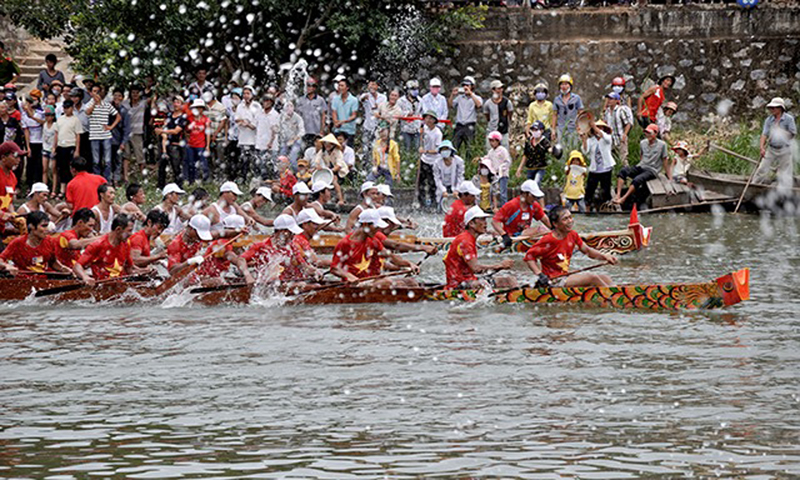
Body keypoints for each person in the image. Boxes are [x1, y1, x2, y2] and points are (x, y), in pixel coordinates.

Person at [524, 206, 618, 288]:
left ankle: (618, 293)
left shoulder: (573, 235)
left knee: (605, 277)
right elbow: (529, 257)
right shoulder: (548, 240)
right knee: (593, 278)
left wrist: (605, 257)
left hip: (565, 276)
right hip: (553, 281)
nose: (570, 221)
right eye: (565, 219)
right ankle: (614, 298)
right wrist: (539, 275)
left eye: (570, 217)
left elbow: (588, 251)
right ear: (555, 224)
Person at [330, 209, 420, 286]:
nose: (378, 229)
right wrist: (350, 277)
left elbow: (391, 257)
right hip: (357, 285)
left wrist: (409, 264)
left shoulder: (373, 240)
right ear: (365, 224)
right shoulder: (345, 243)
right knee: (388, 282)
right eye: (376, 226)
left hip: (371, 281)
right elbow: (334, 268)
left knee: (411, 282)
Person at [443, 206, 515, 289]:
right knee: (507, 281)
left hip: (469, 280)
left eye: (485, 219)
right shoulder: (465, 241)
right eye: (482, 219)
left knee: (509, 279)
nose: (485, 223)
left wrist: (500, 267)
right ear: (471, 224)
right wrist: (500, 265)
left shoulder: (468, 238)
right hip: (458, 285)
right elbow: (476, 269)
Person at [242, 214, 320, 283]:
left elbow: (304, 267)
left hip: (287, 285)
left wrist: (315, 271)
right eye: (291, 233)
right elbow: (240, 260)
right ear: (282, 232)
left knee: (312, 285)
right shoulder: (262, 246)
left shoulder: (292, 247)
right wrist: (248, 276)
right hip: (269, 288)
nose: (293, 236)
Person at [74, 214, 141, 284]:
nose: (131, 234)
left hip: (120, 287)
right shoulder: (98, 245)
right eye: (129, 231)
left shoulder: (126, 244)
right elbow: (77, 266)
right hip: (101, 289)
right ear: (118, 229)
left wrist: (144, 271)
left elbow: (129, 269)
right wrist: (85, 277)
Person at [614, 123, 670, 207]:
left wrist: (669, 175)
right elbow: (642, 156)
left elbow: (665, 160)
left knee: (637, 179)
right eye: (646, 133)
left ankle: (624, 198)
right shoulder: (643, 143)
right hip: (641, 165)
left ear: (655, 133)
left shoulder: (662, 145)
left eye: (650, 133)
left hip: (652, 169)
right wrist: (639, 167)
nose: (647, 135)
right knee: (623, 171)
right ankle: (618, 195)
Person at [0, 211, 69, 276]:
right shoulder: (17, 242)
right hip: (22, 281)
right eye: (44, 226)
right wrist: (7, 266)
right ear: (31, 226)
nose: (47, 229)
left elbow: (53, 262)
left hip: (43, 281)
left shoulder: (50, 241)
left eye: (47, 226)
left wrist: (63, 268)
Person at [196, 214, 255, 286]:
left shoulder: (232, 243)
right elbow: (238, 260)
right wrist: (248, 276)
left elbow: (240, 260)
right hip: (203, 279)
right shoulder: (222, 244)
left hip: (215, 276)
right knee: (221, 281)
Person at [492, 179, 551, 249]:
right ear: (524, 194)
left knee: (544, 229)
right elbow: (494, 222)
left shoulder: (534, 205)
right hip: (512, 236)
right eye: (533, 196)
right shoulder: (511, 205)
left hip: (525, 234)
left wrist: (556, 229)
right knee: (541, 229)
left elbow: (546, 220)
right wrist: (504, 235)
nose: (535, 199)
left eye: (536, 197)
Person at [755, 97, 797, 189]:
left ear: (780, 108)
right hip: (772, 148)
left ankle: (783, 192)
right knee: (762, 168)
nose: (771, 110)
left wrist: (780, 131)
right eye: (771, 108)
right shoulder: (769, 120)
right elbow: (764, 134)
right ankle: (754, 186)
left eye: (774, 108)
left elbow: (792, 134)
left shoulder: (788, 119)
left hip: (785, 149)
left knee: (784, 172)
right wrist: (762, 148)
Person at [85, 84, 122, 181]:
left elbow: (118, 116)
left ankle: (107, 181)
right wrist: (94, 103)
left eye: (98, 91)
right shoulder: (89, 104)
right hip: (94, 136)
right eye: (94, 91)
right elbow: (87, 112)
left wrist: (111, 127)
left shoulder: (106, 105)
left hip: (106, 136)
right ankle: (97, 180)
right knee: (96, 161)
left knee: (107, 160)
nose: (96, 93)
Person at [583, 120, 616, 211]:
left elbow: (606, 137)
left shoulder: (607, 138)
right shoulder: (591, 140)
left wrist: (594, 127)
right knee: (589, 190)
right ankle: (587, 209)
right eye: (598, 127)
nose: (598, 129)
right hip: (594, 169)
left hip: (606, 168)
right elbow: (585, 151)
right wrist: (584, 139)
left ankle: (606, 208)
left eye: (601, 127)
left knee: (606, 190)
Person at [155, 95, 186, 189]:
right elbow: (163, 125)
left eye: (178, 102)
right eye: (174, 102)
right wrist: (161, 131)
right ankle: (160, 185)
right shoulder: (169, 115)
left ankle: (179, 186)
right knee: (162, 165)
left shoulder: (183, 118)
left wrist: (163, 131)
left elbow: (176, 130)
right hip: (165, 142)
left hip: (175, 144)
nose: (175, 104)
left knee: (176, 166)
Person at [53, 99, 83, 194]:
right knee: (61, 168)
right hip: (61, 146)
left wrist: (77, 150)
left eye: (68, 108)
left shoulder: (76, 120)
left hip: (71, 145)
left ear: (72, 108)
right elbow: (56, 133)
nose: (66, 110)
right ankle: (62, 189)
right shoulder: (60, 119)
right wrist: (54, 147)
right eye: (64, 108)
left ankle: (72, 188)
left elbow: (78, 135)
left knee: (71, 168)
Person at [234, 85, 262, 182]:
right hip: (243, 138)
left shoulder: (257, 106)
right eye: (244, 93)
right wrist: (245, 122)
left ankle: (256, 179)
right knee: (244, 161)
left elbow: (257, 122)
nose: (246, 96)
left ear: (252, 95)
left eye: (248, 93)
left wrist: (247, 123)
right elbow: (237, 119)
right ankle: (244, 178)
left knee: (255, 160)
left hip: (254, 138)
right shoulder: (240, 106)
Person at [449, 76, 482, 154]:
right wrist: (452, 95)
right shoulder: (460, 97)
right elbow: (450, 105)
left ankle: (469, 164)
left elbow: (479, 105)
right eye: (464, 85)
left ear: (472, 86)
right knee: (454, 146)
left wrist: (470, 94)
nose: (465, 87)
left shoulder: (476, 97)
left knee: (470, 148)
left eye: (468, 85)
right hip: (459, 125)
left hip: (469, 126)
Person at [516, 121, 550, 194]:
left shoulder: (544, 142)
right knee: (529, 187)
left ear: (542, 131)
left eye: (536, 130)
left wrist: (554, 151)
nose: (535, 132)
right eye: (533, 130)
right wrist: (520, 168)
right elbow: (525, 155)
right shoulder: (528, 141)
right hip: (530, 168)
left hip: (540, 167)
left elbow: (549, 149)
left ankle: (538, 202)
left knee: (536, 184)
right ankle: (532, 203)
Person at [551, 74, 583, 149]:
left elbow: (581, 113)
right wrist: (553, 129)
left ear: (570, 85)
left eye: (566, 84)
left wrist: (581, 127)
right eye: (562, 84)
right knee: (561, 149)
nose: (564, 86)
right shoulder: (557, 99)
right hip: (561, 128)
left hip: (573, 128)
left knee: (574, 149)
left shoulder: (576, 98)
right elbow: (554, 115)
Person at [314, 134, 347, 204]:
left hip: (340, 172)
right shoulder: (322, 151)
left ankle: (341, 199)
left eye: (330, 144)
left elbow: (339, 165)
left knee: (335, 182)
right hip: (329, 169)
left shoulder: (338, 152)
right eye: (326, 144)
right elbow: (317, 160)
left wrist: (330, 171)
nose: (327, 145)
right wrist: (318, 166)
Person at [418, 111, 442, 209]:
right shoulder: (425, 129)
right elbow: (422, 141)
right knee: (421, 182)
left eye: (429, 118)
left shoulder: (437, 133)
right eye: (426, 118)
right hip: (424, 159)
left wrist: (426, 151)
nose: (427, 120)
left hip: (434, 161)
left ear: (433, 120)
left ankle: (434, 202)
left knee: (432, 182)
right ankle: (421, 201)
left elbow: (437, 150)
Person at [359, 80, 386, 164]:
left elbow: (384, 110)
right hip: (368, 126)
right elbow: (361, 99)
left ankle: (375, 164)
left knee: (376, 147)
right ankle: (365, 165)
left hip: (378, 127)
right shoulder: (366, 96)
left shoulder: (383, 97)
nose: (371, 86)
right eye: (370, 84)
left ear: (377, 86)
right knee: (366, 147)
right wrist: (365, 98)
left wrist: (380, 110)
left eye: (373, 84)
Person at [123, 85, 147, 179]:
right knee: (126, 156)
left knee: (140, 155)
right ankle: (125, 177)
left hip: (137, 132)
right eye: (133, 93)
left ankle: (143, 177)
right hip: (126, 132)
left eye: (137, 93)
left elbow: (153, 98)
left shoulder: (142, 104)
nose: (135, 95)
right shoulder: (125, 104)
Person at [295, 77, 327, 149]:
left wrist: (322, 130)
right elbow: (297, 115)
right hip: (304, 131)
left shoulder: (320, 100)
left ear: (314, 88)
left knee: (315, 150)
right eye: (307, 85)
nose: (308, 88)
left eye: (310, 85)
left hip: (316, 131)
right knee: (303, 151)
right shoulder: (301, 100)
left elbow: (323, 116)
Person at [185, 98, 211, 183]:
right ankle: (192, 180)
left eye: (200, 108)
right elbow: (186, 130)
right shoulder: (189, 119)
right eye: (197, 108)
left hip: (201, 144)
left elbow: (207, 133)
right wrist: (187, 138)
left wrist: (207, 146)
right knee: (191, 163)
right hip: (191, 144)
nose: (198, 109)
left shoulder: (206, 119)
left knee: (203, 163)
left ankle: (205, 179)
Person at [433, 140, 465, 210]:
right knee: (442, 206)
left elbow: (460, 176)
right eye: (443, 149)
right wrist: (443, 190)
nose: (444, 151)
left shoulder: (458, 161)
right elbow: (437, 178)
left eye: (446, 149)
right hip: (443, 186)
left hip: (455, 186)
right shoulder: (437, 163)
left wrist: (457, 189)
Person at [0, 142, 23, 237]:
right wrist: (1, 214)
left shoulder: (13, 177)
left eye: (19, 157)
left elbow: (8, 201)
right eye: (15, 156)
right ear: (3, 158)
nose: (18, 160)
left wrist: (13, 215)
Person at [604, 92, 633, 167]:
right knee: (612, 158)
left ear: (616, 100)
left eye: (611, 99)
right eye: (608, 99)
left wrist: (625, 134)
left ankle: (626, 175)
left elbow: (628, 123)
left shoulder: (621, 110)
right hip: (610, 138)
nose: (609, 101)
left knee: (623, 159)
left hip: (620, 137)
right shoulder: (607, 111)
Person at [254, 95, 280, 180]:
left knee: (273, 164)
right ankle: (264, 180)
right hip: (261, 142)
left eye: (267, 101)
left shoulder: (274, 114)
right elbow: (254, 125)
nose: (265, 103)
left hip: (271, 145)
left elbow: (275, 130)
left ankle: (275, 179)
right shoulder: (259, 113)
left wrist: (270, 142)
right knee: (262, 164)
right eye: (264, 101)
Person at [484, 130, 512, 206]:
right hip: (494, 175)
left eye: (493, 141)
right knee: (494, 191)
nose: (491, 143)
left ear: (498, 141)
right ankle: (494, 206)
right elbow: (488, 158)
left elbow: (507, 161)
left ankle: (505, 207)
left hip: (503, 174)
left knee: (503, 192)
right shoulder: (491, 151)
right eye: (490, 141)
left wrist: (501, 169)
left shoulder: (503, 150)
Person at [367, 121, 400, 186]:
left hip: (389, 169)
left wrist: (398, 173)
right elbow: (374, 158)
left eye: (384, 131)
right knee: (369, 180)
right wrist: (374, 167)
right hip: (380, 167)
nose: (383, 133)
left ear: (388, 132)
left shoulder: (393, 144)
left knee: (387, 187)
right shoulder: (377, 143)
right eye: (381, 132)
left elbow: (397, 159)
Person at [483, 80, 514, 149]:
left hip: (503, 130)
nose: (500, 90)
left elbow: (510, 112)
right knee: (490, 150)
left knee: (505, 149)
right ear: (493, 90)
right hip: (492, 130)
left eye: (501, 88)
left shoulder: (507, 102)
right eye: (498, 88)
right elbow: (486, 114)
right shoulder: (488, 103)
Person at [109, 88, 131, 184]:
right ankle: (108, 179)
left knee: (118, 161)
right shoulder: (108, 108)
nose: (117, 98)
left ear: (122, 98)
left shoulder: (124, 111)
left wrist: (123, 142)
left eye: (119, 96)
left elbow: (126, 128)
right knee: (107, 161)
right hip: (108, 139)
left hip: (118, 140)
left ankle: (116, 180)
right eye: (115, 95)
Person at [330, 78, 359, 144]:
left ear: (347, 87)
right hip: (337, 130)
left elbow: (354, 115)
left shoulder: (353, 100)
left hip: (349, 130)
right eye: (339, 85)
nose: (340, 87)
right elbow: (334, 112)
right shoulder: (335, 99)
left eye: (342, 86)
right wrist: (335, 122)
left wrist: (342, 122)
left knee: (348, 150)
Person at [278, 101, 305, 169]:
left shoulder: (298, 118)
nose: (289, 108)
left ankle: (296, 173)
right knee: (281, 157)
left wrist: (294, 139)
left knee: (293, 157)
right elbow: (278, 128)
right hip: (285, 140)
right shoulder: (281, 117)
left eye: (291, 106)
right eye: (287, 106)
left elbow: (302, 131)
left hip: (296, 140)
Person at [397, 80, 422, 153]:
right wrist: (407, 114)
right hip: (406, 128)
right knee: (406, 149)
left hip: (416, 128)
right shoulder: (401, 101)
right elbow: (398, 113)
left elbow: (422, 112)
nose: (415, 91)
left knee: (417, 149)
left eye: (416, 89)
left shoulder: (420, 100)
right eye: (413, 89)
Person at [41, 105, 57, 189]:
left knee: (53, 170)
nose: (47, 117)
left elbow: (56, 137)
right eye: (46, 115)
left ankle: (54, 189)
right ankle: (45, 188)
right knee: (44, 169)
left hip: (52, 149)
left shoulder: (55, 125)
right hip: (45, 148)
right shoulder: (44, 125)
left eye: (49, 115)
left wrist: (54, 148)